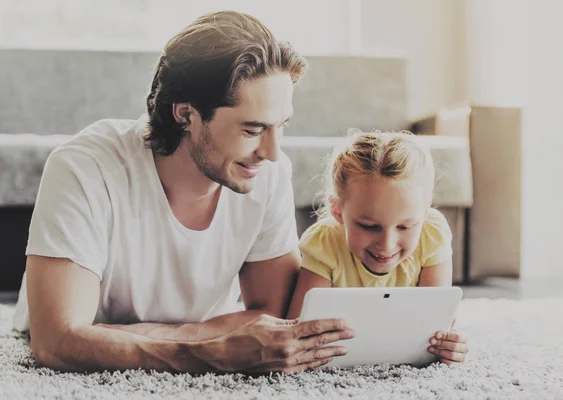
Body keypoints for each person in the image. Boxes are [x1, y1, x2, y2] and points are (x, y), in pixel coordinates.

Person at [12, 10, 355, 374]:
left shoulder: (269, 171)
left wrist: (127, 336)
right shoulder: (85, 168)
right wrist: (212, 350)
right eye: (252, 130)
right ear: (186, 115)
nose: (271, 152)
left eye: (281, 126)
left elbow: (272, 317)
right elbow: (57, 342)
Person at [286, 130, 469, 365]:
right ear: (337, 212)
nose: (387, 245)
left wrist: (449, 346)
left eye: (405, 227)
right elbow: (297, 334)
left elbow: (436, 330)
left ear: (424, 213)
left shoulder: (431, 234)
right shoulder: (324, 243)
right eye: (369, 226)